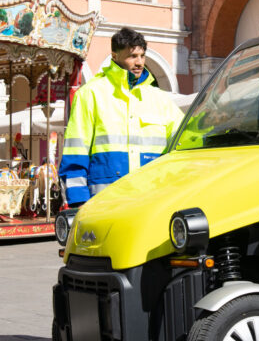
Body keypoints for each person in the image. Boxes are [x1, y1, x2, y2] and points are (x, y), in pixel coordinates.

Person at [59, 27, 184, 207]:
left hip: (151, 202)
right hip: (103, 203)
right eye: (132, 56)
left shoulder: (159, 98)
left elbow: (184, 138)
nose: (139, 62)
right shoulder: (90, 94)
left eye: (142, 56)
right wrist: (78, 201)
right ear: (115, 56)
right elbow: (75, 152)